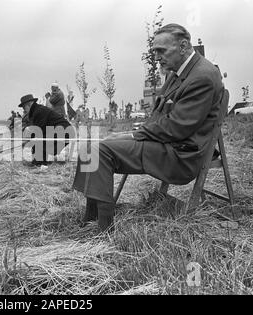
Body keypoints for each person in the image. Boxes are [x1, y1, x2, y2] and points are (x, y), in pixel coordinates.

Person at [73, 24, 224, 232]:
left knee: (98, 152)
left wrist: (132, 134)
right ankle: (92, 218)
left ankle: (103, 229)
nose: (157, 57)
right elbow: (159, 116)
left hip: (180, 155)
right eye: (154, 51)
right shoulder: (179, 72)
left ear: (183, 46)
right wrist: (130, 135)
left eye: (162, 50)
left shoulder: (203, 76)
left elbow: (178, 127)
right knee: (90, 149)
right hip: (165, 145)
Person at [18, 94, 74, 166]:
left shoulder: (38, 111)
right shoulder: (37, 110)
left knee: (39, 142)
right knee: (40, 142)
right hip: (63, 131)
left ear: (28, 104)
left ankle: (39, 164)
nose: (23, 109)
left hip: (63, 131)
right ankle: (40, 163)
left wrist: (26, 141)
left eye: (23, 107)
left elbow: (39, 131)